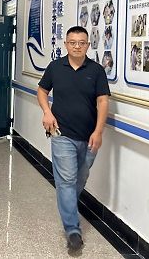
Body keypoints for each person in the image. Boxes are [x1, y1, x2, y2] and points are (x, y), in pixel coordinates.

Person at [37, 26, 110, 252]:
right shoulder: (55, 67)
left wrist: (98, 131)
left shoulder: (96, 70)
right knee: (67, 181)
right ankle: (73, 230)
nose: (77, 46)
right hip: (62, 133)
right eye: (72, 42)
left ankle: (67, 204)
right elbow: (41, 90)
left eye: (81, 43)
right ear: (66, 44)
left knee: (80, 178)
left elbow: (103, 101)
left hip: (89, 136)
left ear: (88, 45)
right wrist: (47, 112)